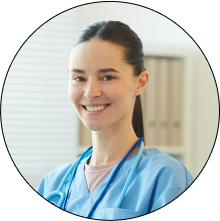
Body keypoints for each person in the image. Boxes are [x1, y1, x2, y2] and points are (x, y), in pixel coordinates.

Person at [36, 21, 194, 219]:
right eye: (79, 78)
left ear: (141, 82)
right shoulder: (52, 184)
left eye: (108, 77)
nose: (90, 92)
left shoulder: (166, 178)